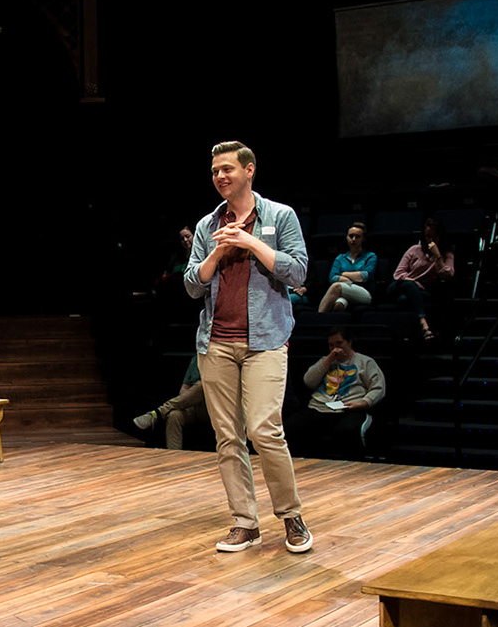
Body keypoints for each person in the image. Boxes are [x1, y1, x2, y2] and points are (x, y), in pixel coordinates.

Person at [185, 140, 312, 554]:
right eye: (215, 171)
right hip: (216, 343)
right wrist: (219, 251)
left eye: (228, 169)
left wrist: (252, 243)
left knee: (264, 430)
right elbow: (192, 284)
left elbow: (297, 272)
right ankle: (244, 522)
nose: (221, 176)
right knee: (227, 437)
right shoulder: (208, 226)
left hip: (266, 341)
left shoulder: (280, 216)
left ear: (249, 170)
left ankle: (291, 516)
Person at [292, 327, 385, 460]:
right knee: (293, 426)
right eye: (331, 345)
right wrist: (329, 360)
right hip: (320, 407)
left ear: (349, 342)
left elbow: (378, 388)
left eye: (339, 343)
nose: (335, 349)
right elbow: (309, 381)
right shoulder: (325, 361)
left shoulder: (365, 362)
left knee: (346, 430)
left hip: (351, 408)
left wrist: (363, 403)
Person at [387, 216, 455, 341]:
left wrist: (438, 256)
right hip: (401, 286)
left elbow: (447, 275)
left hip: (423, 291)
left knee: (404, 300)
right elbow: (398, 274)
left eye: (434, 236)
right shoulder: (414, 250)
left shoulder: (447, 254)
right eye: (428, 236)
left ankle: (413, 331)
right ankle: (424, 322)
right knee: (408, 287)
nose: (430, 240)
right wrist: (414, 283)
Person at [131, 356, 208, 450]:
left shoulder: (221, 359)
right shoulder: (196, 359)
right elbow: (184, 389)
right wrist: (190, 397)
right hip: (192, 406)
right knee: (174, 415)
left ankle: (158, 413)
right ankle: (173, 455)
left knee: (203, 385)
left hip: (212, 407)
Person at [317, 222, 378, 313]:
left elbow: (364, 276)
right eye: (351, 236)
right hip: (345, 292)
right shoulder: (340, 258)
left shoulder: (370, 256)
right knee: (338, 305)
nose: (353, 239)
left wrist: (343, 274)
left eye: (357, 237)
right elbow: (333, 278)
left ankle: (319, 319)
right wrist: (353, 279)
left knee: (336, 286)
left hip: (364, 292)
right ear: (346, 237)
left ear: (363, 239)